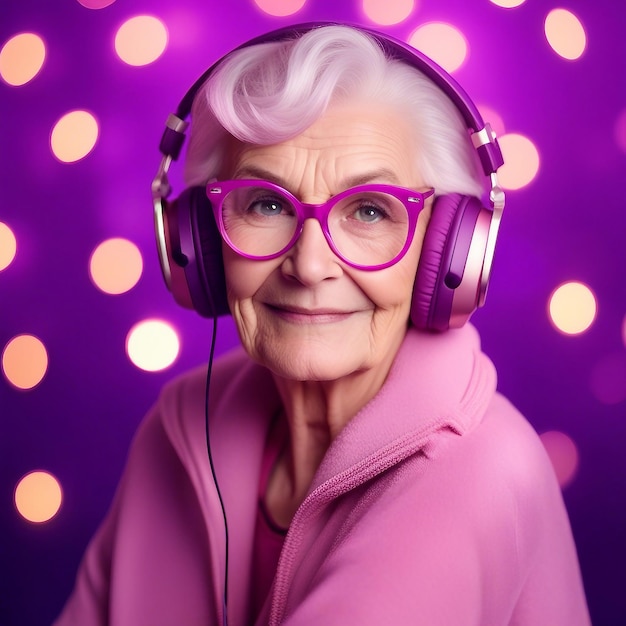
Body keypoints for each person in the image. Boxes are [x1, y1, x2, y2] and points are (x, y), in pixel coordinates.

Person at [55, 23, 591, 625]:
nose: (310, 265)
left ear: (450, 251)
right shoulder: (177, 431)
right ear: (201, 240)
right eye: (266, 204)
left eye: (370, 211)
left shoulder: (484, 469)